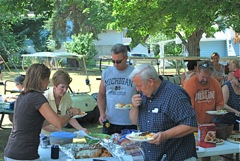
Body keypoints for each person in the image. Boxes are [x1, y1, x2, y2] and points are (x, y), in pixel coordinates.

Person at [4, 64, 78, 161]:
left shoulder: (23, 95)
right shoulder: (37, 98)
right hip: (23, 154)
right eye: (47, 79)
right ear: (41, 80)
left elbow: (35, 122)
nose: (48, 83)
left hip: (12, 151)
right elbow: (59, 123)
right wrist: (71, 114)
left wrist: (53, 117)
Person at [129, 64, 198, 161]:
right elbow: (135, 121)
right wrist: (134, 107)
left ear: (150, 82)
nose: (137, 89)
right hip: (152, 156)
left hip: (176, 156)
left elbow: (191, 125)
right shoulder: (144, 94)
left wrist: (165, 135)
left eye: (139, 85)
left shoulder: (175, 95)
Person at [184, 60, 224, 161]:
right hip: (193, 124)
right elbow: (188, 107)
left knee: (207, 151)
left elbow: (219, 103)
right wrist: (194, 123)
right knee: (193, 151)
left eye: (208, 77)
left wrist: (218, 112)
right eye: (203, 76)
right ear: (197, 71)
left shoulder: (215, 83)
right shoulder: (189, 84)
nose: (205, 79)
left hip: (209, 123)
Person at [97, 43, 138, 135]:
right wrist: (102, 113)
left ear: (126, 58)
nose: (115, 64)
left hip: (129, 121)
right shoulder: (106, 73)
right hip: (110, 121)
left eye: (118, 61)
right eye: (113, 61)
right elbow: (101, 95)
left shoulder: (135, 73)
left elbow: (142, 94)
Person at [42, 70, 87, 135]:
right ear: (55, 86)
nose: (65, 90)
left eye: (67, 87)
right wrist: (58, 130)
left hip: (58, 134)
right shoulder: (45, 97)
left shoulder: (66, 97)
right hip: (44, 136)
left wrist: (81, 129)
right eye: (62, 87)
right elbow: (41, 123)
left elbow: (69, 117)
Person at [221, 68, 240, 161]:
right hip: (226, 122)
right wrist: (236, 111)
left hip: (237, 122)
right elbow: (223, 104)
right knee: (227, 152)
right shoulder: (227, 87)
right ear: (235, 78)